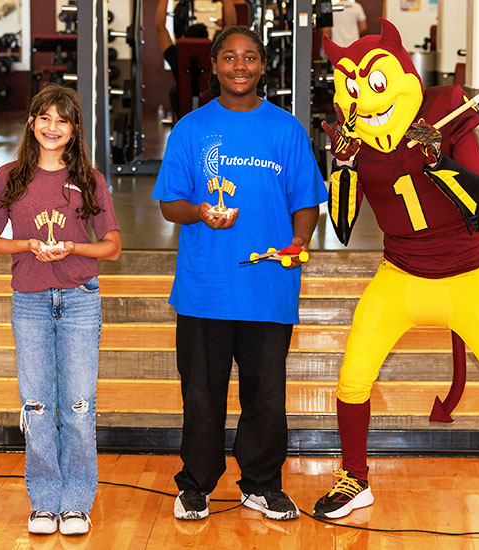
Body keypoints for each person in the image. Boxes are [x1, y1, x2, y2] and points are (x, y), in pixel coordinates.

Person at [312, 20, 479, 529]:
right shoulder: (353, 131)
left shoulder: (447, 114)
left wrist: (436, 157)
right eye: (351, 87)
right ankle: (354, 476)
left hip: (465, 276)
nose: (364, 98)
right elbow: (340, 221)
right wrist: (345, 167)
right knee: (353, 375)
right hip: (399, 274)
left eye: (373, 83)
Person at [152, 26, 328, 521]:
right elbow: (169, 205)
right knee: (201, 395)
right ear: (214, 65)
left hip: (268, 286)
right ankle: (196, 485)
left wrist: (299, 241)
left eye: (249, 57)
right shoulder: (191, 128)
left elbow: (307, 202)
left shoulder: (286, 129)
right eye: (229, 57)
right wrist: (201, 212)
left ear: (262, 67)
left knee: (266, 395)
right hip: (205, 288)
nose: (239, 66)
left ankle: (261, 483)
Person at [0, 84, 121, 537]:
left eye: (62, 119)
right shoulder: (8, 175)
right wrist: (27, 244)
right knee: (37, 406)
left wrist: (71, 249)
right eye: (44, 117)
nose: (53, 127)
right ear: (31, 122)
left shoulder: (91, 179)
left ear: (75, 128)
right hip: (30, 302)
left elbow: (113, 247)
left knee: (79, 406)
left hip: (80, 300)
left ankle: (77, 503)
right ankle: (44, 502)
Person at [155, 0, 237, 118]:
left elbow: (160, 28)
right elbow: (231, 24)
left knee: (175, 92)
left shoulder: (177, 57)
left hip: (185, 115)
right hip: (214, 115)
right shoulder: (216, 55)